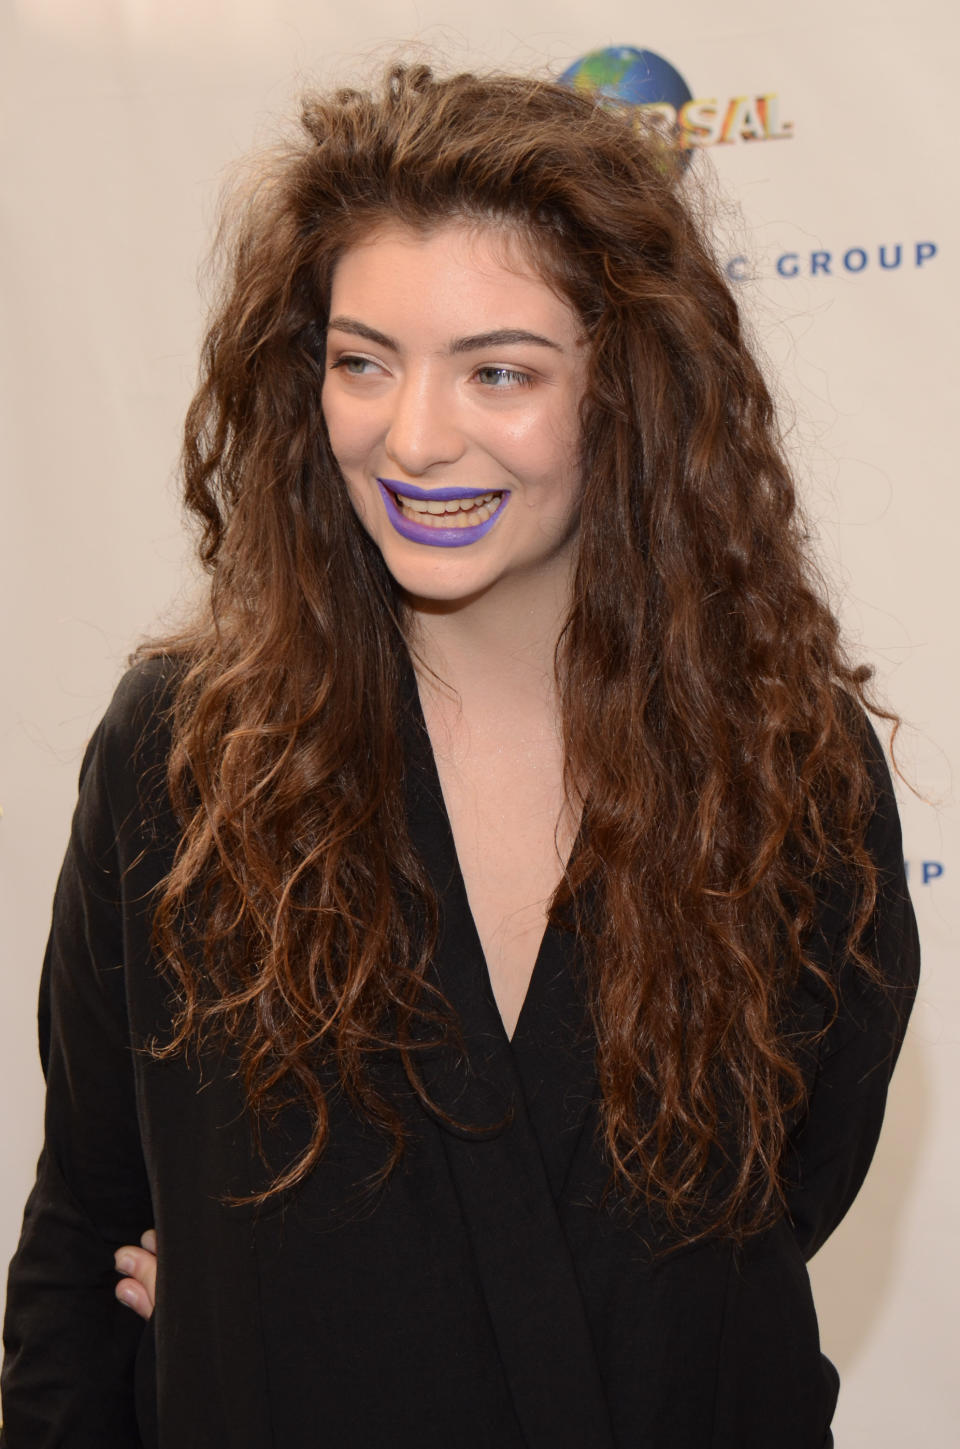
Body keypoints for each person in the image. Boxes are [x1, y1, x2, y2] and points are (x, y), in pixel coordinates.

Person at [0, 63, 919, 1449]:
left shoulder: (790, 768)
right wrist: (250, 1303)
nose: (413, 436)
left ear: (629, 392)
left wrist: (306, 1292)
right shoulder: (179, 758)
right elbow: (84, 1234)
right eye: (363, 360)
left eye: (499, 370)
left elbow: (761, 1222)